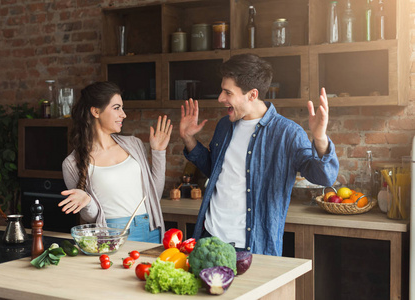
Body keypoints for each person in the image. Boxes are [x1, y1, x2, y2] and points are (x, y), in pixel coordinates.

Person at [180, 54, 339, 255]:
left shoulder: (287, 133)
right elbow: (215, 170)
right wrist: (188, 138)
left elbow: (324, 177)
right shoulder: (224, 126)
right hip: (209, 237)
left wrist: (320, 138)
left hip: (250, 247)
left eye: (227, 92)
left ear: (252, 94)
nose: (221, 98)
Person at [59, 81, 173, 243]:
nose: (123, 114)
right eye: (117, 108)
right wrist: (87, 201)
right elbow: (89, 216)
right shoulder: (71, 163)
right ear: (96, 111)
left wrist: (159, 152)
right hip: (111, 235)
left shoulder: (134, 144)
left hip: (150, 229)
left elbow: (154, 195)